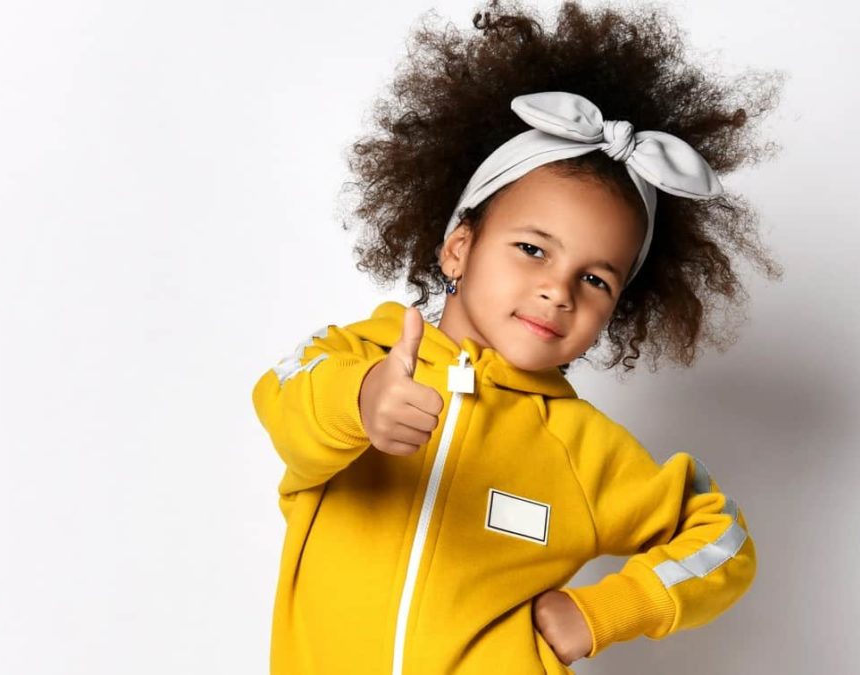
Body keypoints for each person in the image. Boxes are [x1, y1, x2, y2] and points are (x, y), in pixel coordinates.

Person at [252, 1, 785, 672]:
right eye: (533, 248)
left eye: (594, 280)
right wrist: (360, 401)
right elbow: (280, 395)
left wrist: (604, 610)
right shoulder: (363, 357)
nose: (558, 290)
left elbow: (725, 537)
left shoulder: (582, 451)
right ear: (458, 247)